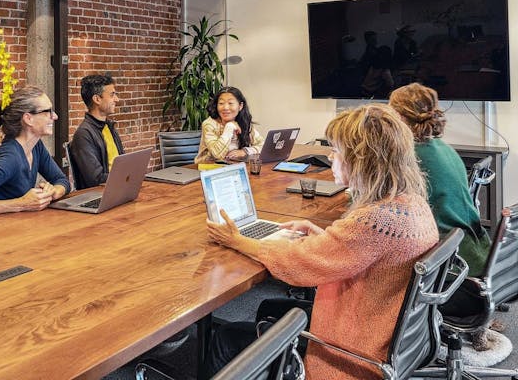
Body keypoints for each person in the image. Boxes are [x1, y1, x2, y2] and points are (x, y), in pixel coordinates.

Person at [203, 104, 438, 380]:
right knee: (269, 308)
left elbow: (298, 266)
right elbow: (356, 250)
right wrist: (322, 236)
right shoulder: (410, 204)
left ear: (361, 159)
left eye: (337, 150)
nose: (330, 155)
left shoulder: (375, 221)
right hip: (382, 334)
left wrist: (239, 241)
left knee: (226, 336)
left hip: (350, 354)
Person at [388, 83, 491, 276]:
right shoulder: (443, 148)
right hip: (477, 249)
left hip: (449, 263)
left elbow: (382, 206)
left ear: (399, 117)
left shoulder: (410, 158)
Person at [0, 86, 70, 217]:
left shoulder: (36, 146)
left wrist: (54, 191)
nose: (55, 116)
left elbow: (61, 179)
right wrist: (21, 204)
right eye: (47, 111)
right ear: (28, 119)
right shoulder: (10, 158)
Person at [69, 74, 124, 190]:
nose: (117, 99)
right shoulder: (83, 134)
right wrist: (126, 177)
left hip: (117, 189)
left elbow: (122, 163)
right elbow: (95, 179)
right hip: (100, 195)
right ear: (97, 99)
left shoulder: (109, 127)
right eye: (112, 95)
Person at [194, 86, 264, 164]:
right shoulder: (209, 124)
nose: (225, 107)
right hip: (208, 169)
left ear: (240, 106)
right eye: (221, 103)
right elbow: (218, 155)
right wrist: (229, 127)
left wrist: (245, 151)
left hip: (233, 167)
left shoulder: (243, 122)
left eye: (230, 103)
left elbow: (263, 145)